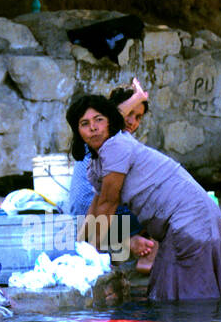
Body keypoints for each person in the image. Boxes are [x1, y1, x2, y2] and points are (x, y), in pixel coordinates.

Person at [67, 94, 221, 301]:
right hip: (184, 221)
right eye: (85, 124)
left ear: (110, 121)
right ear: (78, 132)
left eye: (99, 120)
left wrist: (89, 256)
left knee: (189, 301)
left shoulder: (116, 146)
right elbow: (96, 208)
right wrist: (79, 251)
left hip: (191, 217)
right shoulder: (97, 162)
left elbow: (108, 204)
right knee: (164, 295)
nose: (93, 127)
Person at [64, 79, 156, 268]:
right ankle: (128, 242)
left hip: (84, 217)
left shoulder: (115, 139)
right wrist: (138, 96)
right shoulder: (103, 135)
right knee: (158, 211)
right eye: (129, 113)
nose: (131, 121)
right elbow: (106, 202)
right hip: (89, 213)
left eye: (138, 117)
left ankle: (126, 242)